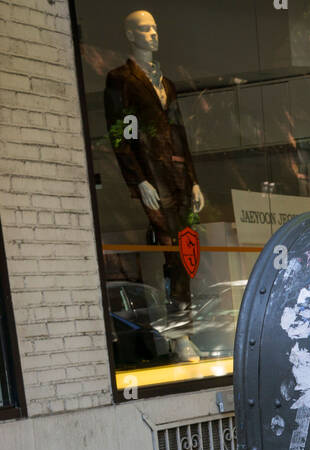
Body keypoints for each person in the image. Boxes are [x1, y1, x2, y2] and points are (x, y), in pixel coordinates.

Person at [104, 10, 204, 317]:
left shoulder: (167, 84)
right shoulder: (121, 80)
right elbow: (122, 134)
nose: (153, 34)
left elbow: (180, 133)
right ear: (131, 35)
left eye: (155, 29)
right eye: (145, 30)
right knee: (171, 246)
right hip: (152, 175)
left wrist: (194, 179)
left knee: (186, 246)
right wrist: (139, 180)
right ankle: (180, 328)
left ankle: (184, 321)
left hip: (178, 174)